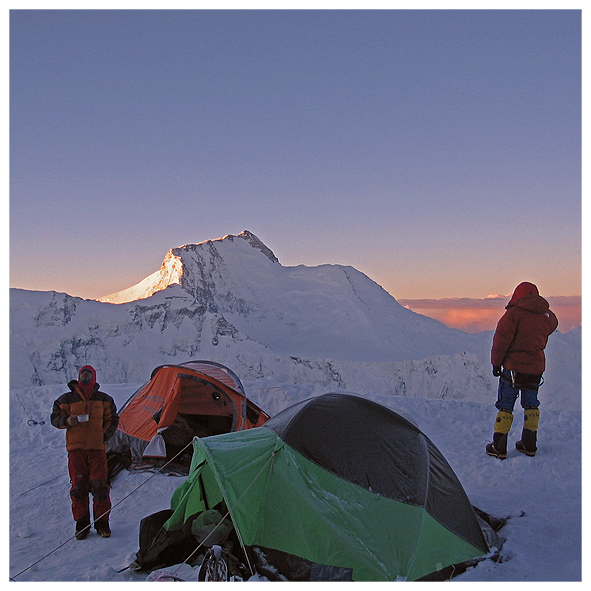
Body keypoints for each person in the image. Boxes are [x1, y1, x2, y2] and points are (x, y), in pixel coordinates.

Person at [486, 282, 558, 460]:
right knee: (531, 404)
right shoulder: (545, 316)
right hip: (535, 368)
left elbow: (501, 340)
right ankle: (529, 443)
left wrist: (496, 363)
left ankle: (499, 446)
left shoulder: (513, 315)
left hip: (513, 368)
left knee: (506, 406)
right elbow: (553, 323)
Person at [50, 365, 119, 539]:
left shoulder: (105, 399)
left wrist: (104, 435)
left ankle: (102, 524)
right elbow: (55, 418)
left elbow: (113, 419)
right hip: (76, 449)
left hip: (97, 448)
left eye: (89, 374)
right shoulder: (66, 399)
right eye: (83, 374)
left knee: (100, 486)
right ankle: (82, 525)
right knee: (79, 487)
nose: (86, 376)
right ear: (79, 376)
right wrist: (67, 420)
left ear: (94, 376)